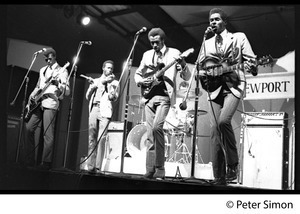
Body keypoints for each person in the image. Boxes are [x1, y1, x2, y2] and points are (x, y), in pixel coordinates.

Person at [197, 8, 258, 185]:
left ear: (225, 21)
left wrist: (252, 66)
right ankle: (219, 177)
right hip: (213, 88)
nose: (213, 22)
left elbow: (250, 60)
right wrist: (203, 76)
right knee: (215, 129)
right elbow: (201, 66)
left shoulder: (239, 37)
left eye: (216, 19)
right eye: (211, 20)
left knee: (224, 121)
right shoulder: (207, 43)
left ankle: (233, 164)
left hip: (234, 84)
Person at [134, 28, 191, 179]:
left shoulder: (174, 53)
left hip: (165, 97)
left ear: (163, 41)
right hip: (148, 97)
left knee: (157, 127)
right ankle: (150, 169)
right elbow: (138, 73)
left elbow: (186, 76)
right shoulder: (147, 55)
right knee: (150, 133)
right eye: (152, 43)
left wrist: (183, 63)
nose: (154, 45)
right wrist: (141, 81)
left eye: (156, 42)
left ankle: (160, 168)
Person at [24, 47, 70, 170]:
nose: (48, 61)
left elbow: (67, 91)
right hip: (38, 102)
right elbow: (39, 86)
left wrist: (58, 84)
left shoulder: (62, 71)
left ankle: (46, 162)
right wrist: (31, 97)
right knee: (28, 128)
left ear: (54, 57)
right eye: (46, 60)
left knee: (47, 134)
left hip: (50, 102)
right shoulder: (42, 70)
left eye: (50, 59)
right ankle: (30, 160)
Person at [85, 60, 119, 173]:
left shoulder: (114, 83)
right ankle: (90, 167)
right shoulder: (96, 81)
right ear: (103, 68)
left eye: (111, 69)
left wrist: (110, 87)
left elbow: (114, 98)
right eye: (108, 68)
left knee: (101, 139)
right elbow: (87, 96)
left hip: (105, 111)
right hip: (94, 108)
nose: (109, 70)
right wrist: (93, 86)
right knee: (91, 138)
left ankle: (98, 167)